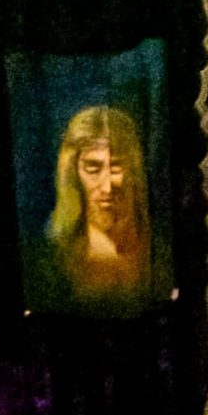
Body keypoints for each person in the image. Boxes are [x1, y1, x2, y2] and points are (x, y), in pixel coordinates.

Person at [44, 104, 152, 310]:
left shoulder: (158, 246)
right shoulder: (50, 258)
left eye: (116, 166)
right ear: (73, 173)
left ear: (134, 168)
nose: (107, 186)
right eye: (93, 168)